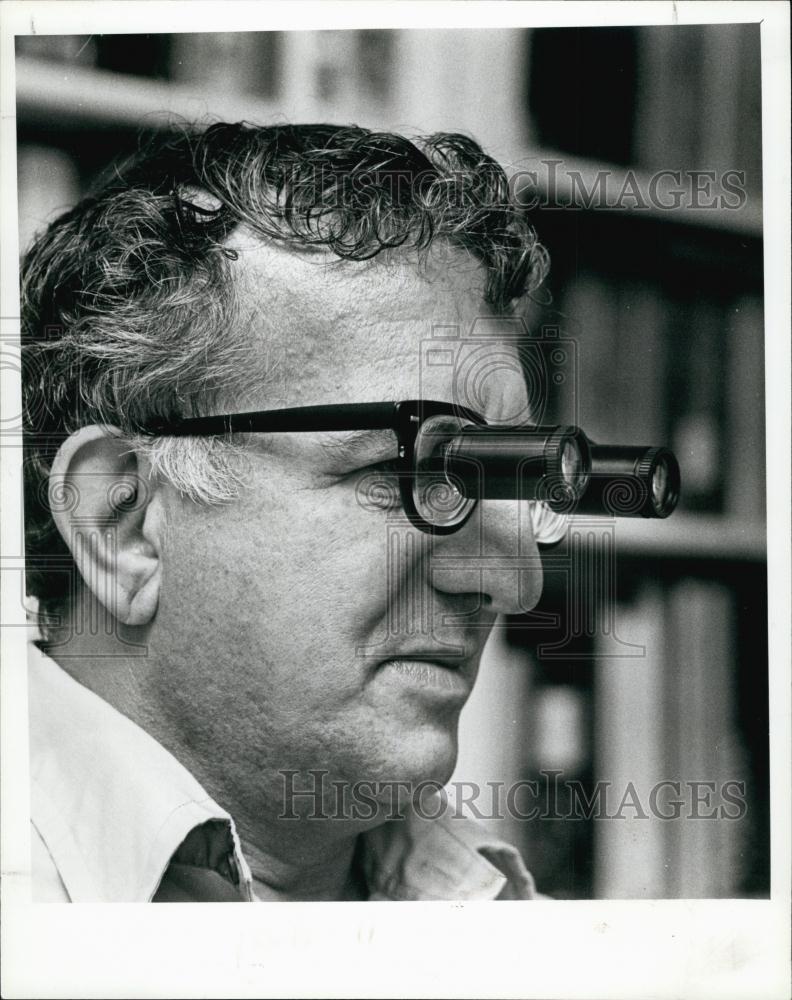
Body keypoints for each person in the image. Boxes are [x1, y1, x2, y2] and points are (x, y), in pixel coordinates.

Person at [21, 122, 553, 902]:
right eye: (405, 469)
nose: (515, 580)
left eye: (500, 479)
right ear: (124, 524)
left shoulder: (504, 916)